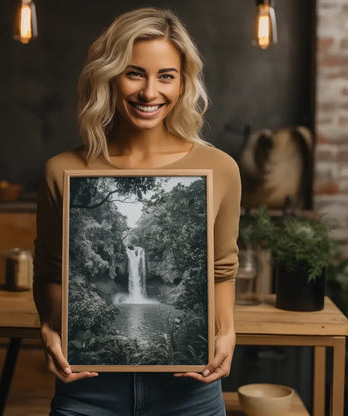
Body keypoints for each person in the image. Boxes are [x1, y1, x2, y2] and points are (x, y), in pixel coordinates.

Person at [33, 7, 241, 416]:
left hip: (189, 392)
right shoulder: (63, 171)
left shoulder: (220, 169)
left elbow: (221, 270)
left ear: (183, 84)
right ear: (108, 76)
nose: (150, 93)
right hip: (87, 390)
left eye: (166, 76)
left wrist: (227, 332)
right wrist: (48, 327)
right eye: (134, 73)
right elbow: (50, 272)